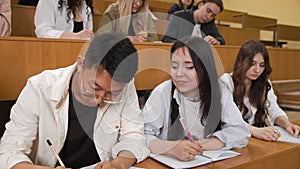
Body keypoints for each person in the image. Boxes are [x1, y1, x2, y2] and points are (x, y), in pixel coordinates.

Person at [0, 33, 149, 169]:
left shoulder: (125, 87)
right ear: (80, 64)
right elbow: (8, 152)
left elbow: (134, 136)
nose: (99, 99)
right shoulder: (39, 88)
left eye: (112, 93)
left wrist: (117, 164)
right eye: (94, 86)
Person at [143, 37, 249, 161]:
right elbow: (142, 136)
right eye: (174, 66)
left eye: (189, 67)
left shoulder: (219, 91)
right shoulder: (162, 93)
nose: (179, 74)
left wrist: (201, 145)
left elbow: (240, 131)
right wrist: (172, 148)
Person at [220, 40, 300, 142]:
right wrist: (255, 131)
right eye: (252, 64)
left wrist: (287, 124)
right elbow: (229, 120)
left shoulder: (264, 83)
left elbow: (273, 110)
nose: (257, 70)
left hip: (257, 136)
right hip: (234, 138)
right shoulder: (226, 82)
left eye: (262, 65)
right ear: (241, 62)